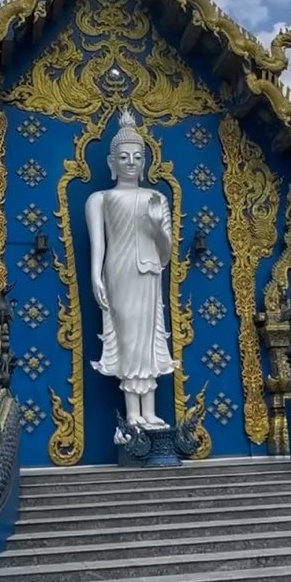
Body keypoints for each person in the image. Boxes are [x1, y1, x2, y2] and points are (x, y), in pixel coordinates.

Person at [85, 108, 177, 427]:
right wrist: (95, 276)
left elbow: (166, 254)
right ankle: (132, 414)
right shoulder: (100, 199)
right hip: (119, 273)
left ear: (145, 161)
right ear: (112, 162)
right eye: (123, 157)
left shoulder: (156, 199)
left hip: (149, 273)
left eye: (137, 157)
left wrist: (157, 226)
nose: (130, 162)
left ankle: (148, 412)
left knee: (149, 339)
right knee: (127, 339)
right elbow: (99, 245)